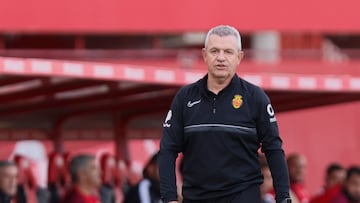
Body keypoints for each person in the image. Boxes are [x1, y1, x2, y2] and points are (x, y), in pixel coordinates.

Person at [158, 25, 291, 203]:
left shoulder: (255, 98)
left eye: (228, 52)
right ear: (205, 55)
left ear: (239, 57)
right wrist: (169, 198)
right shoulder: (184, 98)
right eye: (214, 51)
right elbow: (168, 150)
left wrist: (283, 198)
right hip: (196, 198)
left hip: (244, 197)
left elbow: (274, 149)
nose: (221, 58)